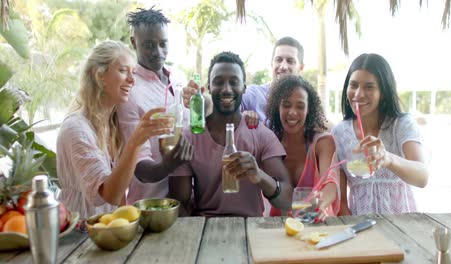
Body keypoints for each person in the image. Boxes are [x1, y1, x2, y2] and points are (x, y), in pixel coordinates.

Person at [57, 40, 174, 218]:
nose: (132, 80)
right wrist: (136, 140)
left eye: (133, 72)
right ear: (99, 75)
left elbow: (119, 196)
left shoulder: (111, 125)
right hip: (76, 235)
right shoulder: (76, 129)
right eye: (122, 70)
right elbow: (108, 194)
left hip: (107, 230)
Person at [169, 51, 292, 217]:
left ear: (244, 87)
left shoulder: (261, 134)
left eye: (234, 82)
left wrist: (259, 175)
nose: (226, 89)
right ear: (208, 87)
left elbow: (286, 199)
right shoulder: (189, 138)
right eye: (219, 82)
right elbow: (179, 205)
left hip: (251, 229)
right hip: (203, 229)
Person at [332, 53, 429, 216]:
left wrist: (388, 159)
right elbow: (341, 204)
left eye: (369, 86)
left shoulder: (401, 124)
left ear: (383, 92)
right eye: (353, 85)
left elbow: (422, 177)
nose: (358, 94)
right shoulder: (339, 133)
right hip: (361, 227)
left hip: (402, 226)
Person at [117, 7, 193, 204]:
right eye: (149, 45)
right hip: (151, 206)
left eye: (163, 44)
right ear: (134, 42)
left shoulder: (178, 79)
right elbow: (138, 167)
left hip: (190, 205)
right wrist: (170, 164)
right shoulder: (129, 91)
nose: (158, 52)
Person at [265, 75, 340, 221]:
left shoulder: (322, 143)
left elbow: (330, 185)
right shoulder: (269, 142)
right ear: (277, 107)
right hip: (276, 226)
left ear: (308, 110)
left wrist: (319, 204)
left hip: (314, 222)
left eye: (300, 106)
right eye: (286, 105)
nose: (292, 112)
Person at [182, 36, 305, 123]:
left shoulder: (306, 103)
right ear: (271, 64)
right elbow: (219, 103)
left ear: (301, 68)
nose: (283, 66)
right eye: (278, 60)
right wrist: (201, 100)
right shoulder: (254, 95)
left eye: (290, 61)